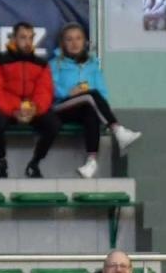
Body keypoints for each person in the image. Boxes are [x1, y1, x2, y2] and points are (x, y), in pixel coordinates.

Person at [48, 22, 141, 179]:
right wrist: (67, 92)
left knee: (91, 109)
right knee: (90, 95)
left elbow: (102, 93)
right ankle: (118, 130)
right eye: (69, 39)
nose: (74, 43)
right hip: (61, 108)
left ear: (84, 42)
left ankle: (91, 162)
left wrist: (91, 98)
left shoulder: (92, 65)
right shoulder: (54, 64)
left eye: (78, 38)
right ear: (63, 43)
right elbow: (48, 89)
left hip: (85, 106)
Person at [0, 22, 58, 179]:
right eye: (23, 37)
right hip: (8, 109)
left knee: (54, 124)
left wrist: (35, 108)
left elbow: (45, 91)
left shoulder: (42, 64)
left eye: (30, 38)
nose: (27, 42)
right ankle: (2, 161)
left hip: (31, 110)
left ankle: (35, 163)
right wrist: (14, 109)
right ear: (13, 38)